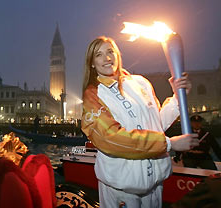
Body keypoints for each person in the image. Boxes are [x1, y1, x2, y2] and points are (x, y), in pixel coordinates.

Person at [81, 36, 199, 207]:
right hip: (122, 192)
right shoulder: (94, 95)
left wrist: (177, 98)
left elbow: (156, 124)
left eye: (110, 52)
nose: (107, 58)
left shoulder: (140, 83)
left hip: (155, 187)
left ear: (118, 55)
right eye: (99, 55)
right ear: (92, 63)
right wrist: (168, 144)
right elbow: (111, 139)